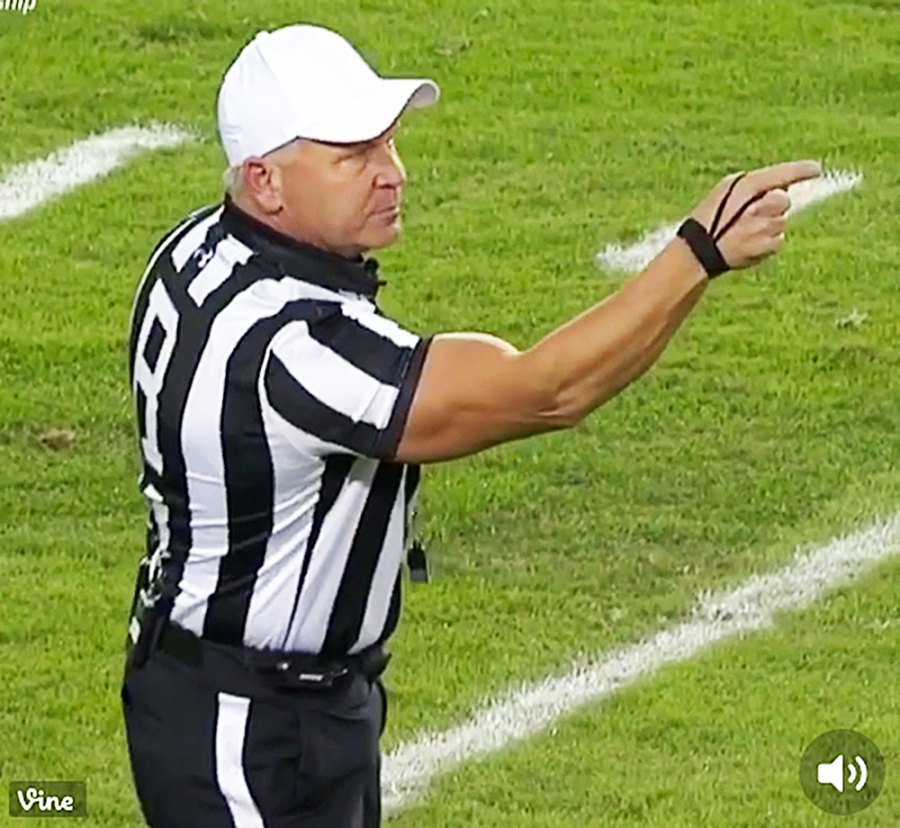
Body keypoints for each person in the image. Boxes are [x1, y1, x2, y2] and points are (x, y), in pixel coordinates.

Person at [120, 21, 821, 828]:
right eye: (354, 157)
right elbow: (548, 392)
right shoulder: (295, 350)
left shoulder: (198, 246)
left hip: (264, 690)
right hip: (247, 726)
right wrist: (697, 252)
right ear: (265, 181)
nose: (394, 174)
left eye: (388, 145)